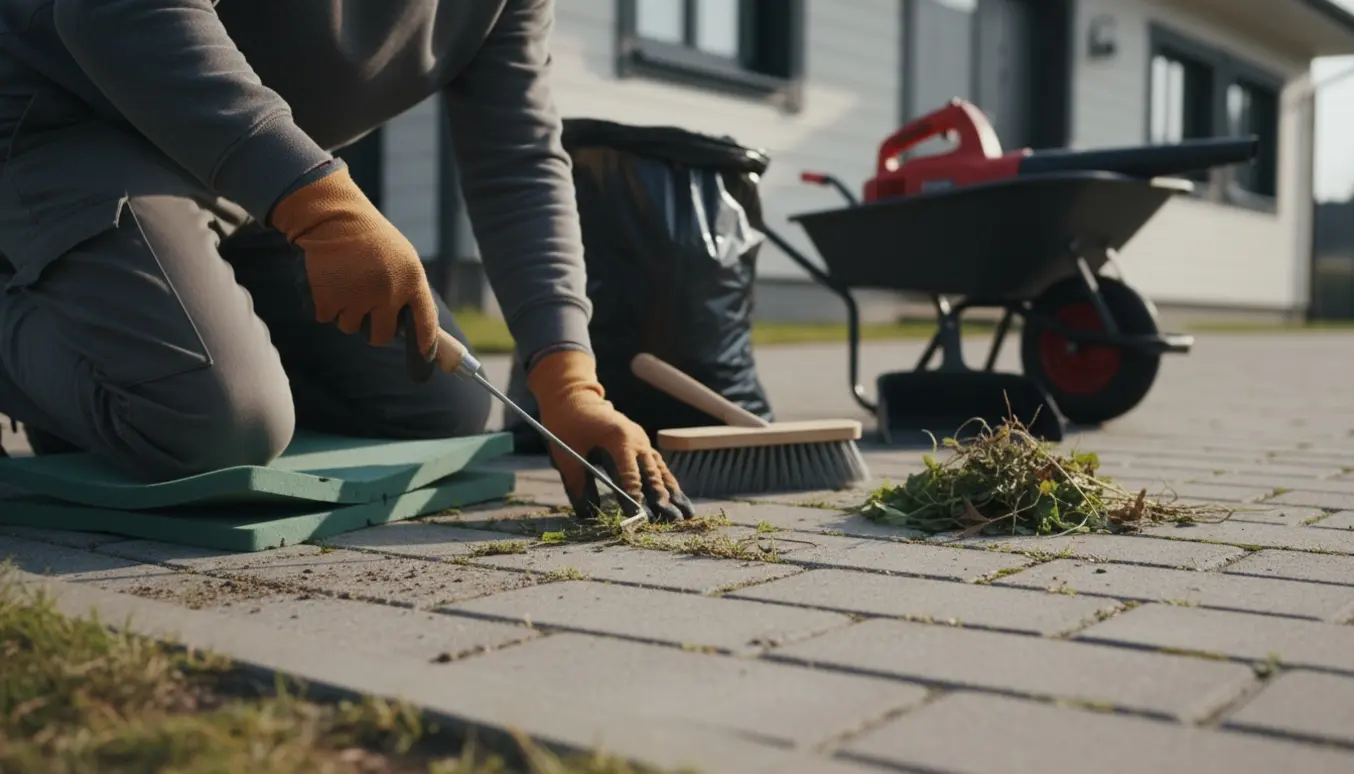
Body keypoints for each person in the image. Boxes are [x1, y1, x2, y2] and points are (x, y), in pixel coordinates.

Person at [0, 0, 694, 522]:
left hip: (241, 181)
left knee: (437, 405)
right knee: (220, 423)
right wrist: (324, 207)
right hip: (56, 127)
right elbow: (118, 11)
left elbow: (517, 159)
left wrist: (568, 381)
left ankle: (104, 349)